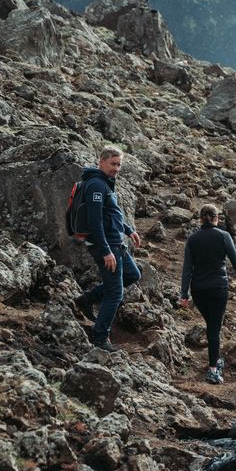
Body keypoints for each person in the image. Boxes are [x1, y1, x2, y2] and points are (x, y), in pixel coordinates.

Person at [73, 146, 142, 352]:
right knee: (114, 294)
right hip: (106, 246)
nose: (116, 168)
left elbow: (111, 214)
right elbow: (95, 222)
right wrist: (105, 251)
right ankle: (100, 338)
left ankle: (88, 299)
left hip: (116, 243)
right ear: (101, 161)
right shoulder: (95, 185)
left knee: (132, 274)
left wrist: (129, 230)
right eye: (113, 164)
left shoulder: (105, 183)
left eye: (119, 164)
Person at [179, 204, 236, 384]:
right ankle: (213, 370)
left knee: (212, 325)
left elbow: (187, 269)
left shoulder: (193, 239)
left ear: (200, 219)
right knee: (214, 328)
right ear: (216, 218)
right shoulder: (223, 236)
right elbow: (235, 259)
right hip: (218, 288)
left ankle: (216, 359)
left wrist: (183, 294)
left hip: (198, 289)